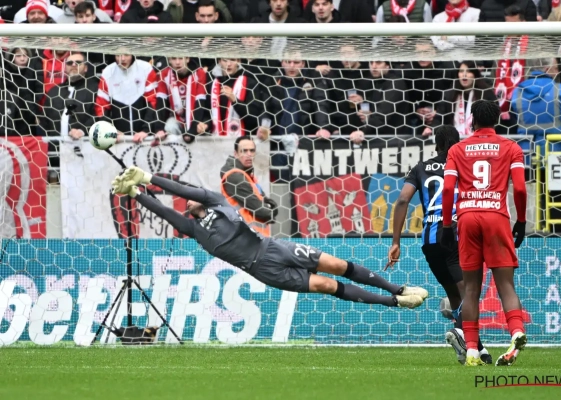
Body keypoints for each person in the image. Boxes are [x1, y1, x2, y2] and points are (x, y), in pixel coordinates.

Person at [111, 167, 428, 309]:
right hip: (263, 270)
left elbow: (181, 189)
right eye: (187, 202)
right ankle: (395, 302)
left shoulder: (215, 200)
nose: (188, 199)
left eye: (191, 197)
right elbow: (165, 211)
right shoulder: (194, 230)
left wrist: (148, 178)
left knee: (336, 265)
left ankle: (397, 288)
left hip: (274, 247)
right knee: (327, 285)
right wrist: (136, 193)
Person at [386, 125, 492, 365]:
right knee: (469, 293)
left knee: (454, 294)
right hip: (457, 236)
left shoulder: (420, 168)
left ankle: (477, 349)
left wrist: (396, 242)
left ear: (436, 145)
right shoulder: (466, 165)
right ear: (459, 143)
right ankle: (461, 332)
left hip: (430, 241)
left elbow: (402, 200)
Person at [440, 100, 527, 367]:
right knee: (506, 285)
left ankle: (471, 352)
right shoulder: (511, 148)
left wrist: (447, 225)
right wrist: (522, 221)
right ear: (497, 120)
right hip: (496, 217)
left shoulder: (457, 149)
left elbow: (448, 189)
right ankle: (516, 332)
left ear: (473, 120)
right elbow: (520, 189)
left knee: (471, 289)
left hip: (467, 218)